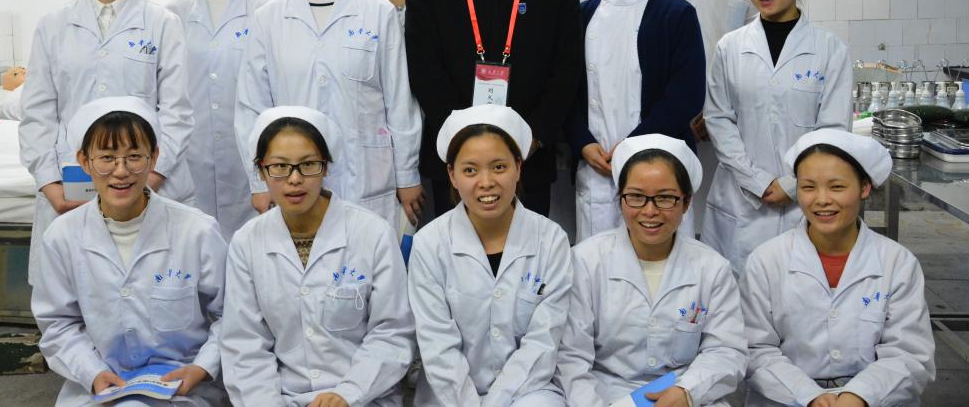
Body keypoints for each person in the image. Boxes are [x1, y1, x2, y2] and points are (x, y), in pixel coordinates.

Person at [20, 0, 195, 285]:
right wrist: (50, 185)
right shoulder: (53, 25)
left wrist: (147, 180)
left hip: (144, 183)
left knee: (148, 294)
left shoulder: (162, 23)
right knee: (72, 295)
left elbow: (177, 112)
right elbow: (37, 114)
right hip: (69, 185)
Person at [405, 0, 584, 217]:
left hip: (528, 160)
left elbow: (566, 72)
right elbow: (424, 70)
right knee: (455, 248)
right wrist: (463, 139)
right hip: (455, 160)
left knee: (528, 250)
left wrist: (531, 138)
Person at [235, 0, 423, 230]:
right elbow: (252, 107)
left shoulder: (377, 12)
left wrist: (407, 176)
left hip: (366, 177)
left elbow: (399, 102)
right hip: (293, 179)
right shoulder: (268, 18)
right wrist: (259, 181)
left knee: (369, 256)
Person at [31, 97, 228, 405]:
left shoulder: (197, 231)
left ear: (154, 158)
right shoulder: (62, 236)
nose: (121, 171)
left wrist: (202, 367)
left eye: (134, 156)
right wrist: (93, 373)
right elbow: (57, 324)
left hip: (184, 386)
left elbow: (231, 314)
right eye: (107, 158)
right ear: (84, 161)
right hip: (99, 388)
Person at [221, 106, 414, 406]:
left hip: (365, 396)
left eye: (308, 164)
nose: (294, 179)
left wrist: (347, 394)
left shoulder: (372, 233)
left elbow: (393, 332)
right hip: (284, 397)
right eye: (280, 166)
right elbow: (245, 345)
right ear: (261, 170)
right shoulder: (247, 242)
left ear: (326, 167)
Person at [740, 130, 936, 406]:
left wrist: (859, 395)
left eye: (837, 187)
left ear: (864, 188)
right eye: (808, 187)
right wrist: (808, 395)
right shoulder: (766, 261)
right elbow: (755, 349)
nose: (821, 199)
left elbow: (910, 355)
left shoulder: (898, 263)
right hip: (787, 397)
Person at [701, 0, 852, 276]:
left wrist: (793, 184)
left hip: (806, 198)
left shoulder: (829, 49)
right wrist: (756, 180)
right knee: (735, 293)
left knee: (801, 289)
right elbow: (719, 119)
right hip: (739, 197)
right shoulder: (730, 47)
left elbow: (832, 129)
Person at [556, 134, 747, 406]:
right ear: (620, 199)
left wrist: (688, 392)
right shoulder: (585, 262)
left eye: (665, 198)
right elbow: (571, 357)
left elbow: (726, 350)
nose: (649, 211)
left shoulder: (712, 268)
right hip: (606, 393)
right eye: (636, 197)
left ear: (686, 202)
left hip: (686, 392)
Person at [408, 105, 572, 406]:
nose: (486, 182)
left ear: (518, 167)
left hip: (528, 391)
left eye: (499, 167)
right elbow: (437, 345)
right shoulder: (429, 244)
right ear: (452, 175)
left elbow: (543, 341)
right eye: (470, 170)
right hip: (450, 395)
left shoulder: (551, 240)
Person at [569, 0, 706, 241]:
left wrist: (634, 146)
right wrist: (583, 142)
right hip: (597, 164)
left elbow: (686, 95)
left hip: (658, 159)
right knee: (597, 260)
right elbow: (567, 88)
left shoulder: (676, 14)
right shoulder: (584, 14)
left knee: (661, 254)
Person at [651, 0, 754, 233]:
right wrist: (684, 111)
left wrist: (718, 113)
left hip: (733, 114)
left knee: (726, 218)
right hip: (674, 116)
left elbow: (751, 52)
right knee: (678, 211)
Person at [167, 0, 270, 240]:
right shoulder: (173, 15)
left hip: (248, 154)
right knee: (194, 245)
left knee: (250, 245)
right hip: (190, 154)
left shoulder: (265, 11)